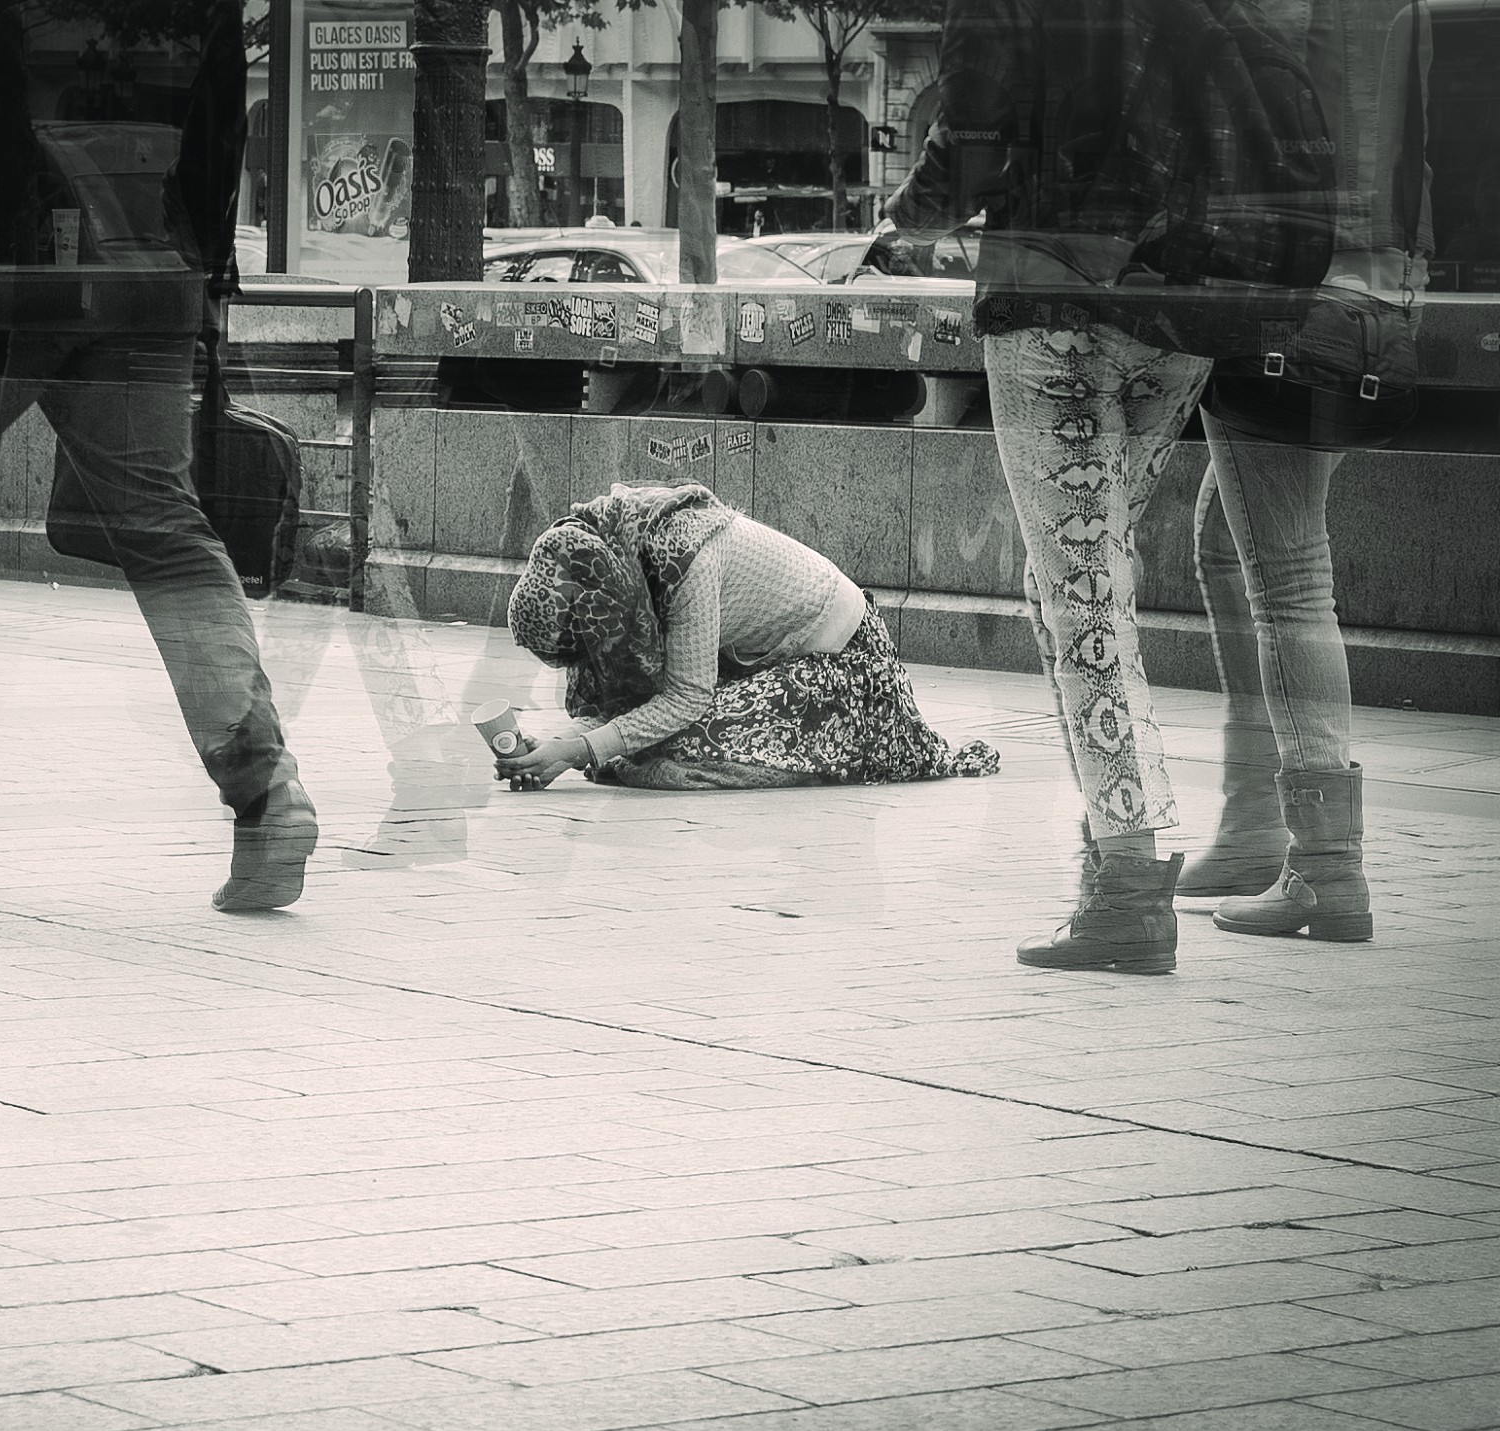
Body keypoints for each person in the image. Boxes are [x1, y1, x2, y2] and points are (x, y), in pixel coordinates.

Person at [0, 0, 316, 911]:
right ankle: (266, 791)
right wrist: (196, 281)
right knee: (163, 525)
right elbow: (220, 135)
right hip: (145, 275)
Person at [882, 0, 1314, 974]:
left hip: (1056, 311)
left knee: (1081, 596)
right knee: (1070, 581)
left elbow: (972, 148)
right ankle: (1115, 870)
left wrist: (900, 227)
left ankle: (1127, 877)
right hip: (1181, 319)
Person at [1179, 0, 1431, 943]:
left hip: (1286, 294)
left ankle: (1325, 865)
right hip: (1362, 285)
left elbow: (1242, 124)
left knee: (1288, 573)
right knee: (1221, 543)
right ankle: (1256, 822)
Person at [499, 483, 1000, 792]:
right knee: (628, 742)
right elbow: (622, 691)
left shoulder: (685, 558)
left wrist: (576, 751)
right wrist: (566, 744)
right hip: (766, 661)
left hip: (848, 669)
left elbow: (684, 699)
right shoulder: (610, 554)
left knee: (678, 751)